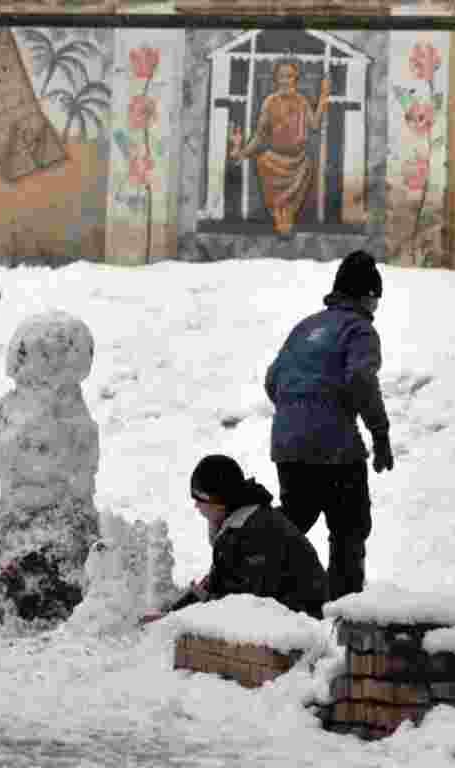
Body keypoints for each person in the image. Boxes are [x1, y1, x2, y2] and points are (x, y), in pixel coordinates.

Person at [264, 250, 394, 602]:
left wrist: (299, 416)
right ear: (367, 296)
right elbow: (361, 379)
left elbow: (273, 380)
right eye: (375, 299)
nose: (376, 308)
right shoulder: (360, 330)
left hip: (288, 445)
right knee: (349, 529)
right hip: (335, 448)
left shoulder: (306, 327)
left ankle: (263, 587)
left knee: (294, 520)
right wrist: (380, 434)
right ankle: (345, 607)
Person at [141, 455, 328, 624]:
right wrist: (171, 615)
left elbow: (242, 604)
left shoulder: (255, 533)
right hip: (282, 618)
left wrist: (181, 620)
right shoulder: (238, 524)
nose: (196, 505)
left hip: (302, 629)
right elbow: (216, 583)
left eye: (199, 499)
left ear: (219, 502)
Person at [228, 60, 330, 237]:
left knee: (289, 205)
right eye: (281, 76)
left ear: (295, 79)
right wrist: (242, 153)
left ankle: (286, 219)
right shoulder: (270, 102)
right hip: (272, 162)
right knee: (275, 199)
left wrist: (323, 98)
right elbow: (259, 135)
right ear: (276, 79)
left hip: (298, 163)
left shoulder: (302, 101)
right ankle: (279, 218)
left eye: (289, 76)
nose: (285, 81)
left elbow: (313, 125)